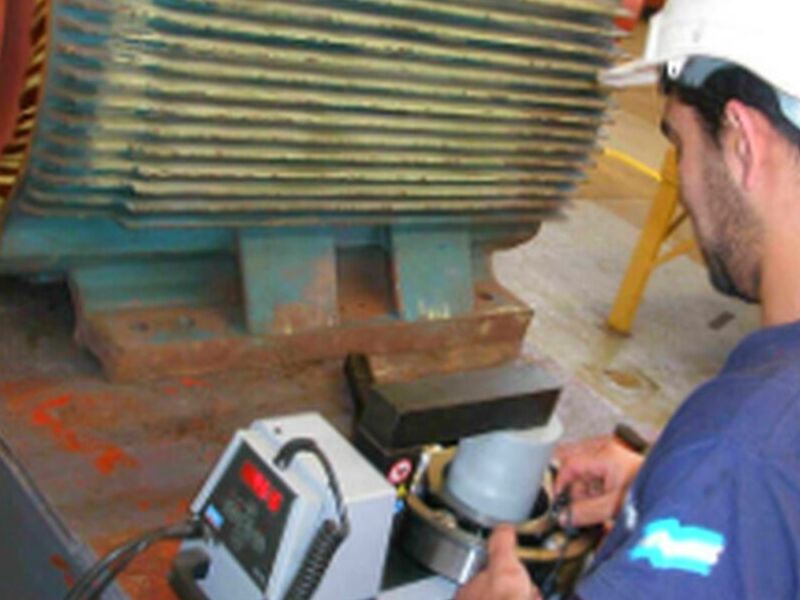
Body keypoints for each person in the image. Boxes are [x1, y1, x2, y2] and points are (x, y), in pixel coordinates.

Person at [456, 0, 800, 597]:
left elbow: (757, 470)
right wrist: (671, 484)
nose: (684, 181)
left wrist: (711, 482)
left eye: (680, 144)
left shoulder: (743, 446)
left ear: (742, 143)